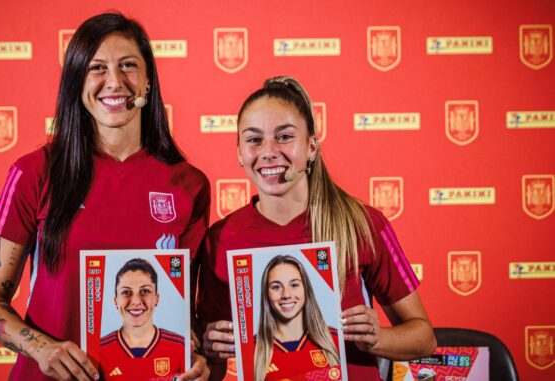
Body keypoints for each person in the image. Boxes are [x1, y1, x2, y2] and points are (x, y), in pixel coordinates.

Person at [0, 12, 210, 381]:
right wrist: (42, 348)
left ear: (148, 80)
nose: (114, 82)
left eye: (128, 65)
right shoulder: (33, 172)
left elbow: (183, 317)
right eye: (97, 68)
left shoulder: (189, 184)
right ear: (76, 81)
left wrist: (193, 357)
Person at [196, 76, 436, 380]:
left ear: (311, 146)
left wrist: (377, 338)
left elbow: (425, 338)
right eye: (254, 139)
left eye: (284, 137)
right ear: (239, 153)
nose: (268, 151)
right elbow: (212, 367)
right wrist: (213, 352)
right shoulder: (221, 239)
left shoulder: (362, 224)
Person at [254, 255, 340, 381]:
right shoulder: (251, 350)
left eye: (294, 285)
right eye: (276, 287)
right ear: (266, 294)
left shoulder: (335, 339)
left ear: (306, 289)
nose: (286, 295)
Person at [99, 258, 186, 379]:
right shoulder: (98, 350)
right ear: (116, 301)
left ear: (156, 298)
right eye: (126, 292)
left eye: (145, 291)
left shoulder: (180, 346)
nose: (136, 301)